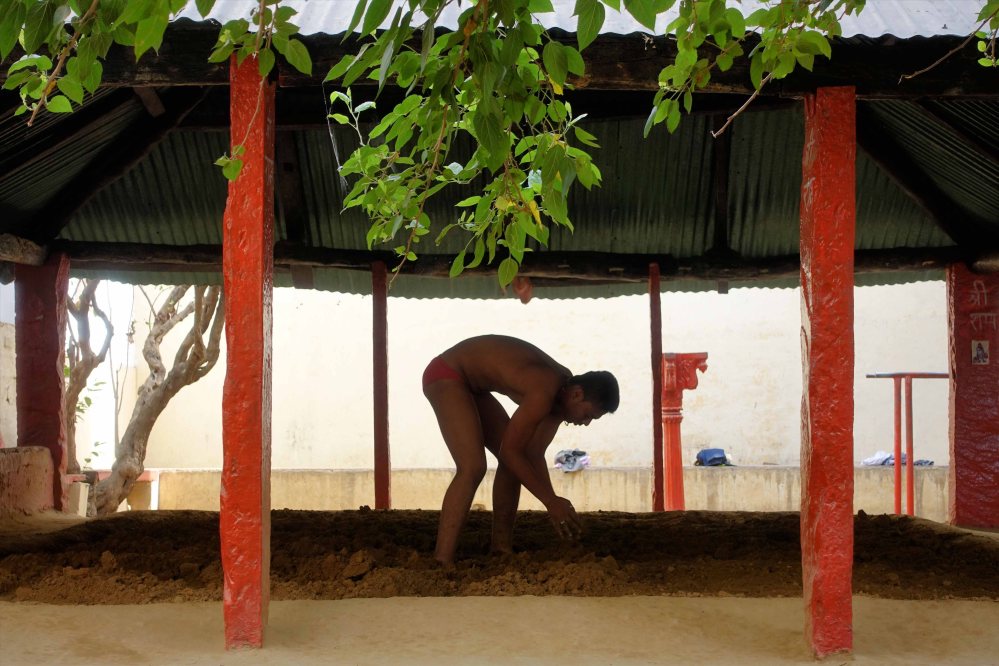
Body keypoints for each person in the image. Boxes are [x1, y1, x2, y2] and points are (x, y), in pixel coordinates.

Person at [422, 334, 619, 564]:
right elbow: (510, 452)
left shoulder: (562, 396)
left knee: (515, 463)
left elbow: (531, 454)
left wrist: (553, 501)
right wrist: (550, 502)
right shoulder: (544, 391)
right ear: (577, 394)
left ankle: (501, 549)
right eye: (588, 415)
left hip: (473, 387)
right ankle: (442, 560)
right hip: (447, 373)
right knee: (473, 467)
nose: (586, 423)